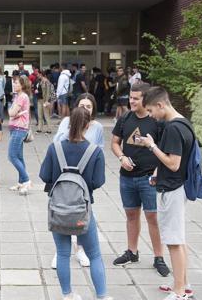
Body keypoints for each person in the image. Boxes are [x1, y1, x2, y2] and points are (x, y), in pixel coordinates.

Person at [40, 108, 113, 300]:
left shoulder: (54, 148)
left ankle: (68, 295)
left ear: (69, 123)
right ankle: (102, 296)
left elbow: (44, 176)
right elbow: (98, 182)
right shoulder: (94, 151)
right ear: (88, 126)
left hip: (59, 209)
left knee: (63, 254)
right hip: (83, 211)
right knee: (95, 255)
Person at [139, 87, 194, 300]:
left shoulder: (172, 128)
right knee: (179, 239)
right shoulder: (184, 122)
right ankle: (183, 284)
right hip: (176, 186)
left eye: (151, 110)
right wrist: (156, 172)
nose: (151, 115)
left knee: (173, 241)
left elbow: (173, 163)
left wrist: (152, 146)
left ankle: (179, 292)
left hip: (172, 189)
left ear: (161, 105)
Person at [110, 83, 170, 277]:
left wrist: (157, 170)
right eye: (130, 97)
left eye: (136, 98)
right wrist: (121, 157)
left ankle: (159, 257)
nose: (131, 101)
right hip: (127, 178)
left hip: (149, 179)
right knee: (131, 215)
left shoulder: (157, 121)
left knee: (152, 217)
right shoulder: (125, 117)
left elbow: (166, 150)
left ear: (146, 99)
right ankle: (132, 252)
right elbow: (114, 143)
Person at [51, 93, 104, 268]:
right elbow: (56, 142)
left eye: (89, 106)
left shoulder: (97, 127)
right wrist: (73, 128)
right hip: (64, 179)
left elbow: (99, 150)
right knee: (62, 214)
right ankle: (60, 252)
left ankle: (80, 250)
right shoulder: (67, 122)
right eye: (82, 106)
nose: (85, 109)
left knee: (82, 217)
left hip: (84, 183)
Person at [7, 75, 31, 195]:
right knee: (19, 157)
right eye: (14, 83)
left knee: (12, 156)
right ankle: (21, 183)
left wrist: (12, 112)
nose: (14, 84)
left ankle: (26, 180)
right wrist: (13, 113)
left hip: (18, 129)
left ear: (23, 85)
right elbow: (12, 113)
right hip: (16, 128)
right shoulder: (18, 96)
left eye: (17, 83)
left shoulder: (22, 97)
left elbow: (11, 112)